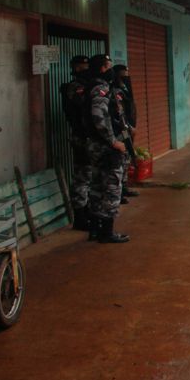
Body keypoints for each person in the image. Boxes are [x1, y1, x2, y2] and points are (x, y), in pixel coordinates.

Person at [85, 54, 130, 244]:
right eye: (109, 66)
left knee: (96, 187)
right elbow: (99, 117)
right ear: (103, 68)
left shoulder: (92, 86)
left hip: (95, 146)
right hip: (105, 147)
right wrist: (113, 141)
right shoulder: (100, 89)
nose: (111, 69)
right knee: (111, 188)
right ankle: (107, 232)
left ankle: (95, 229)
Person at [60, 55, 92, 231]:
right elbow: (84, 106)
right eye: (82, 67)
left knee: (89, 176)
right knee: (82, 176)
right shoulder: (75, 87)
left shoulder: (86, 85)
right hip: (81, 137)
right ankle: (80, 216)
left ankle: (86, 211)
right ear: (75, 68)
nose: (85, 69)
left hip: (89, 137)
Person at [112, 65, 139, 203]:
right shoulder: (115, 91)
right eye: (123, 75)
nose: (126, 77)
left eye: (127, 74)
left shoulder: (125, 89)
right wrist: (129, 127)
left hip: (128, 129)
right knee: (121, 160)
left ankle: (124, 187)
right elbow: (120, 114)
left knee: (127, 158)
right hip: (121, 130)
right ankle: (119, 192)